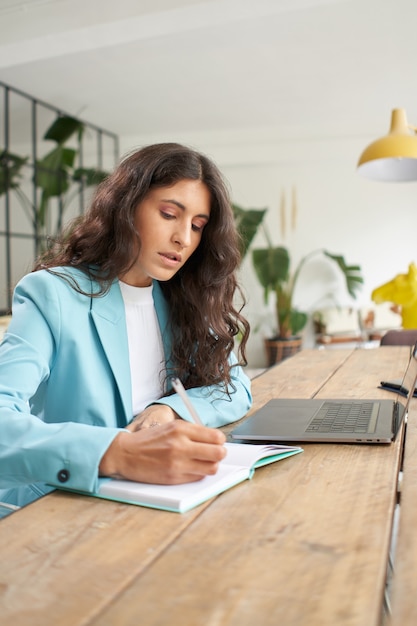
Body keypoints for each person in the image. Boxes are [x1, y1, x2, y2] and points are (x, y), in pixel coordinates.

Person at [0, 142, 252, 516]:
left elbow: (236, 387)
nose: (184, 238)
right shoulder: (52, 293)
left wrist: (166, 410)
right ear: (126, 208)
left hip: (158, 504)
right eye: (169, 214)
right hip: (57, 508)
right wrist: (116, 451)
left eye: (198, 226)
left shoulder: (187, 299)